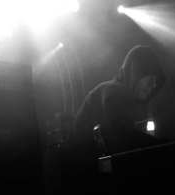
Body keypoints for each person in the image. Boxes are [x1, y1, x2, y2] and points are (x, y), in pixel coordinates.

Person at [64, 45, 169, 194]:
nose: (153, 85)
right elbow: (124, 135)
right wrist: (163, 146)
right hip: (88, 179)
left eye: (156, 81)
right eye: (150, 79)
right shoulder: (115, 92)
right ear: (136, 73)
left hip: (86, 175)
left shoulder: (116, 92)